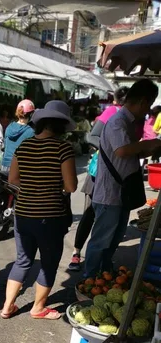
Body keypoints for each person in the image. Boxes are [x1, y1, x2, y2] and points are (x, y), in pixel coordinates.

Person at [0, 100, 77, 320]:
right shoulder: (63, 148)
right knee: (49, 262)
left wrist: (33, 185)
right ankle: (38, 308)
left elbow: (14, 179)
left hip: (23, 213)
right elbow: (70, 186)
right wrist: (50, 185)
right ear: (61, 125)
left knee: (22, 260)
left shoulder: (24, 146)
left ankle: (7, 307)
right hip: (50, 216)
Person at [84, 80, 161, 277]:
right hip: (109, 193)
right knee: (101, 240)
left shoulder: (129, 122)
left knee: (114, 238)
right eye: (149, 104)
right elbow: (122, 150)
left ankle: (104, 272)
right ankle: (90, 277)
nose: (148, 110)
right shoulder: (118, 122)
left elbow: (130, 153)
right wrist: (150, 143)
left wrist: (147, 148)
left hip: (121, 193)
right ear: (143, 102)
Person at [68, 87, 129, 272]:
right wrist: (110, 150)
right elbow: (92, 135)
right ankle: (77, 252)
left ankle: (103, 263)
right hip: (98, 174)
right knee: (89, 214)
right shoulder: (113, 111)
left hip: (116, 176)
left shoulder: (130, 117)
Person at [1, 99, 35, 173]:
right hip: (20, 167)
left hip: (5, 165)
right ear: (31, 114)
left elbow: (5, 146)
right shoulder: (30, 132)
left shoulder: (9, 127)